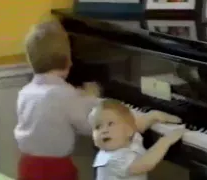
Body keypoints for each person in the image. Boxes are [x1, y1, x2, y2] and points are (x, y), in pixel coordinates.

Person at [14, 19, 182, 180]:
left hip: (27, 165)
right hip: (55, 169)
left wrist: (82, 96)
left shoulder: (26, 92)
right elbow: (98, 124)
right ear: (69, 61)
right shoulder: (65, 95)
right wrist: (147, 117)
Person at [90, 99, 185, 180]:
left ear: (128, 130)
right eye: (98, 127)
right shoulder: (112, 159)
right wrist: (165, 141)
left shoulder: (126, 139)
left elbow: (136, 126)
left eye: (110, 124)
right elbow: (145, 164)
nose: (104, 131)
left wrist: (153, 116)